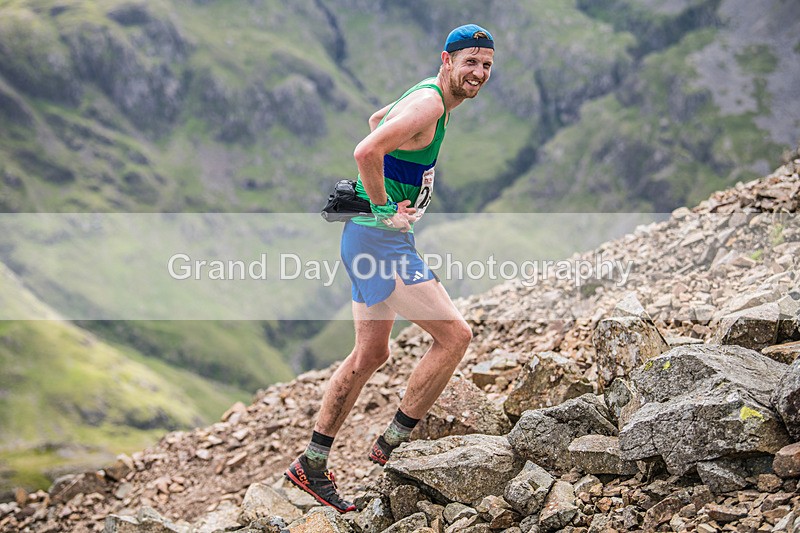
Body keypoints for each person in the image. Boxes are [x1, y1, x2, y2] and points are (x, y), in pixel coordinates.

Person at [285, 23, 495, 513]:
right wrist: (383, 207)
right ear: (447, 60)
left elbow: (378, 118)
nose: (479, 73)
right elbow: (366, 150)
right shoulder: (430, 104)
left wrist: (391, 201)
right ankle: (394, 445)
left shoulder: (424, 95)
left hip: (368, 237)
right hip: (380, 240)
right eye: (470, 63)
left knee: (370, 354)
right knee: (456, 336)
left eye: (486, 65)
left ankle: (311, 465)